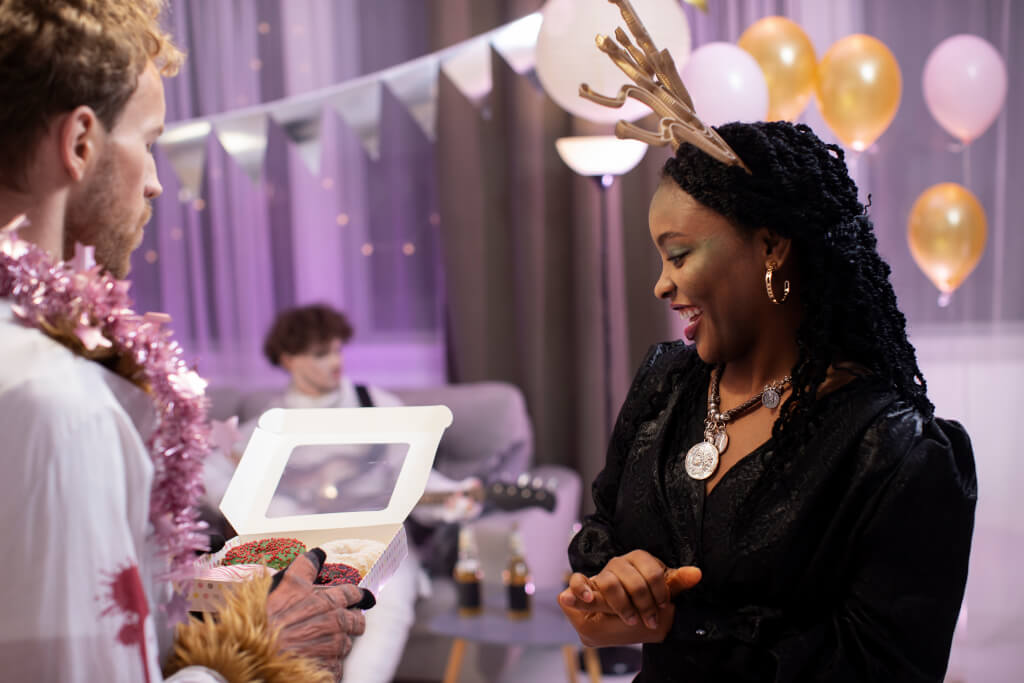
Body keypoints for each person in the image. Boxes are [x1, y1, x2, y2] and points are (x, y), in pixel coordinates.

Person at [559, 4, 976, 682]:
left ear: (772, 247)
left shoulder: (896, 452)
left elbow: (879, 667)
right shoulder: (665, 384)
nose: (662, 285)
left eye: (679, 254)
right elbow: (603, 528)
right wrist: (609, 584)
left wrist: (683, 622)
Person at [0, 2, 366, 681]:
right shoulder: (56, 401)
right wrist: (257, 651)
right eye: (149, 141)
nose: (155, 182)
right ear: (80, 143)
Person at [204, 303, 482, 683]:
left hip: (376, 542)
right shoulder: (268, 425)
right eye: (321, 354)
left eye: (337, 350)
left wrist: (454, 498)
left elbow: (416, 477)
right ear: (289, 359)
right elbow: (206, 470)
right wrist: (275, 507)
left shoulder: (377, 405)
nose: (336, 362)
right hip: (300, 548)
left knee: (389, 598)